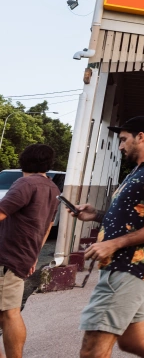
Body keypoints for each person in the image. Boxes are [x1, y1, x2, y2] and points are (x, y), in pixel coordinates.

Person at [71, 116, 144, 358]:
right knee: (135, 341)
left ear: (141, 136)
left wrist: (115, 243)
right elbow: (132, 216)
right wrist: (96, 215)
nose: (120, 146)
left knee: (92, 349)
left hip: (129, 267)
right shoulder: (139, 172)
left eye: (123, 139)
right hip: (123, 268)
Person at [0, 144, 60, 358]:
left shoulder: (25, 183)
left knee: (9, 314)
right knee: (9, 313)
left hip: (5, 257)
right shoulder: (52, 188)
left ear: (23, 160)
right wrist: (34, 255)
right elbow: (46, 227)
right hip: (22, 256)